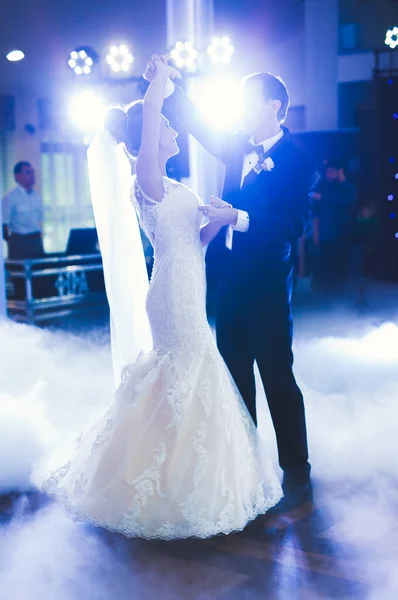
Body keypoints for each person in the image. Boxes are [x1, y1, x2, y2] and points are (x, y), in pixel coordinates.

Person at [43, 58, 282, 539]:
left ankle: (185, 474)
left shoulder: (174, 185)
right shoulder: (146, 178)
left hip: (191, 281)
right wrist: (159, 85)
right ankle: (162, 480)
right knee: (187, 370)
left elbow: (196, 240)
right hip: (171, 291)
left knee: (188, 377)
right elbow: (151, 119)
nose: (170, 128)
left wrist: (217, 218)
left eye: (169, 123)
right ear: (142, 142)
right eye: (162, 126)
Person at [144, 57, 316, 506]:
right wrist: (166, 86)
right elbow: (199, 124)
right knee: (235, 378)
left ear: (273, 105)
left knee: (277, 375)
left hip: (268, 286)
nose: (239, 107)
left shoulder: (299, 159)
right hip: (229, 283)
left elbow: (293, 225)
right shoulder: (238, 145)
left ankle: (296, 467)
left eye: (247, 100)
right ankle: (244, 465)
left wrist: (236, 217)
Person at [311, 158, 357, 293]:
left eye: (331, 172)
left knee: (339, 267)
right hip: (326, 235)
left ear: (340, 171)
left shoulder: (348, 188)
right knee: (326, 267)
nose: (328, 175)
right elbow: (317, 213)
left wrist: (322, 198)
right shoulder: (327, 188)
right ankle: (326, 296)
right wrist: (316, 232)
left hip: (342, 235)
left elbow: (344, 203)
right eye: (327, 172)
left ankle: (339, 296)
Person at [2, 162, 44, 259]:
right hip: (20, 241)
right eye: (28, 172)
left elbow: (40, 220)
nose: (32, 176)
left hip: (36, 241)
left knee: (39, 271)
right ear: (17, 176)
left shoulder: (37, 196)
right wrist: (14, 242)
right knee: (20, 272)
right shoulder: (10, 197)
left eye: (33, 172)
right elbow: (4, 225)